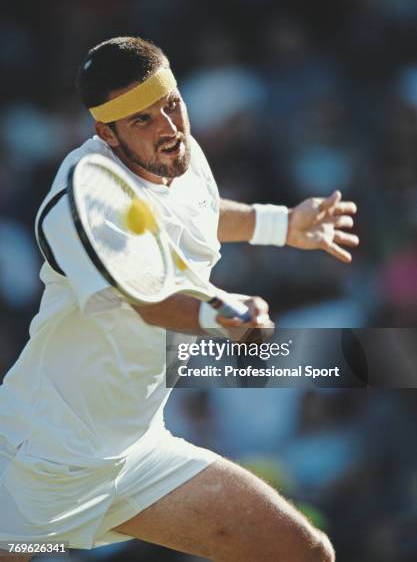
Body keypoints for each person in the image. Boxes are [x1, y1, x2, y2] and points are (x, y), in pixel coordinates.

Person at [0, 36, 358, 561]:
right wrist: (221, 315)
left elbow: (194, 212)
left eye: (171, 106)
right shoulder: (83, 199)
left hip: (139, 452)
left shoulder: (178, 154)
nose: (168, 128)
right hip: (47, 459)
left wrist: (282, 224)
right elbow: (144, 300)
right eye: (142, 120)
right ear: (106, 132)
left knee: (303, 553)